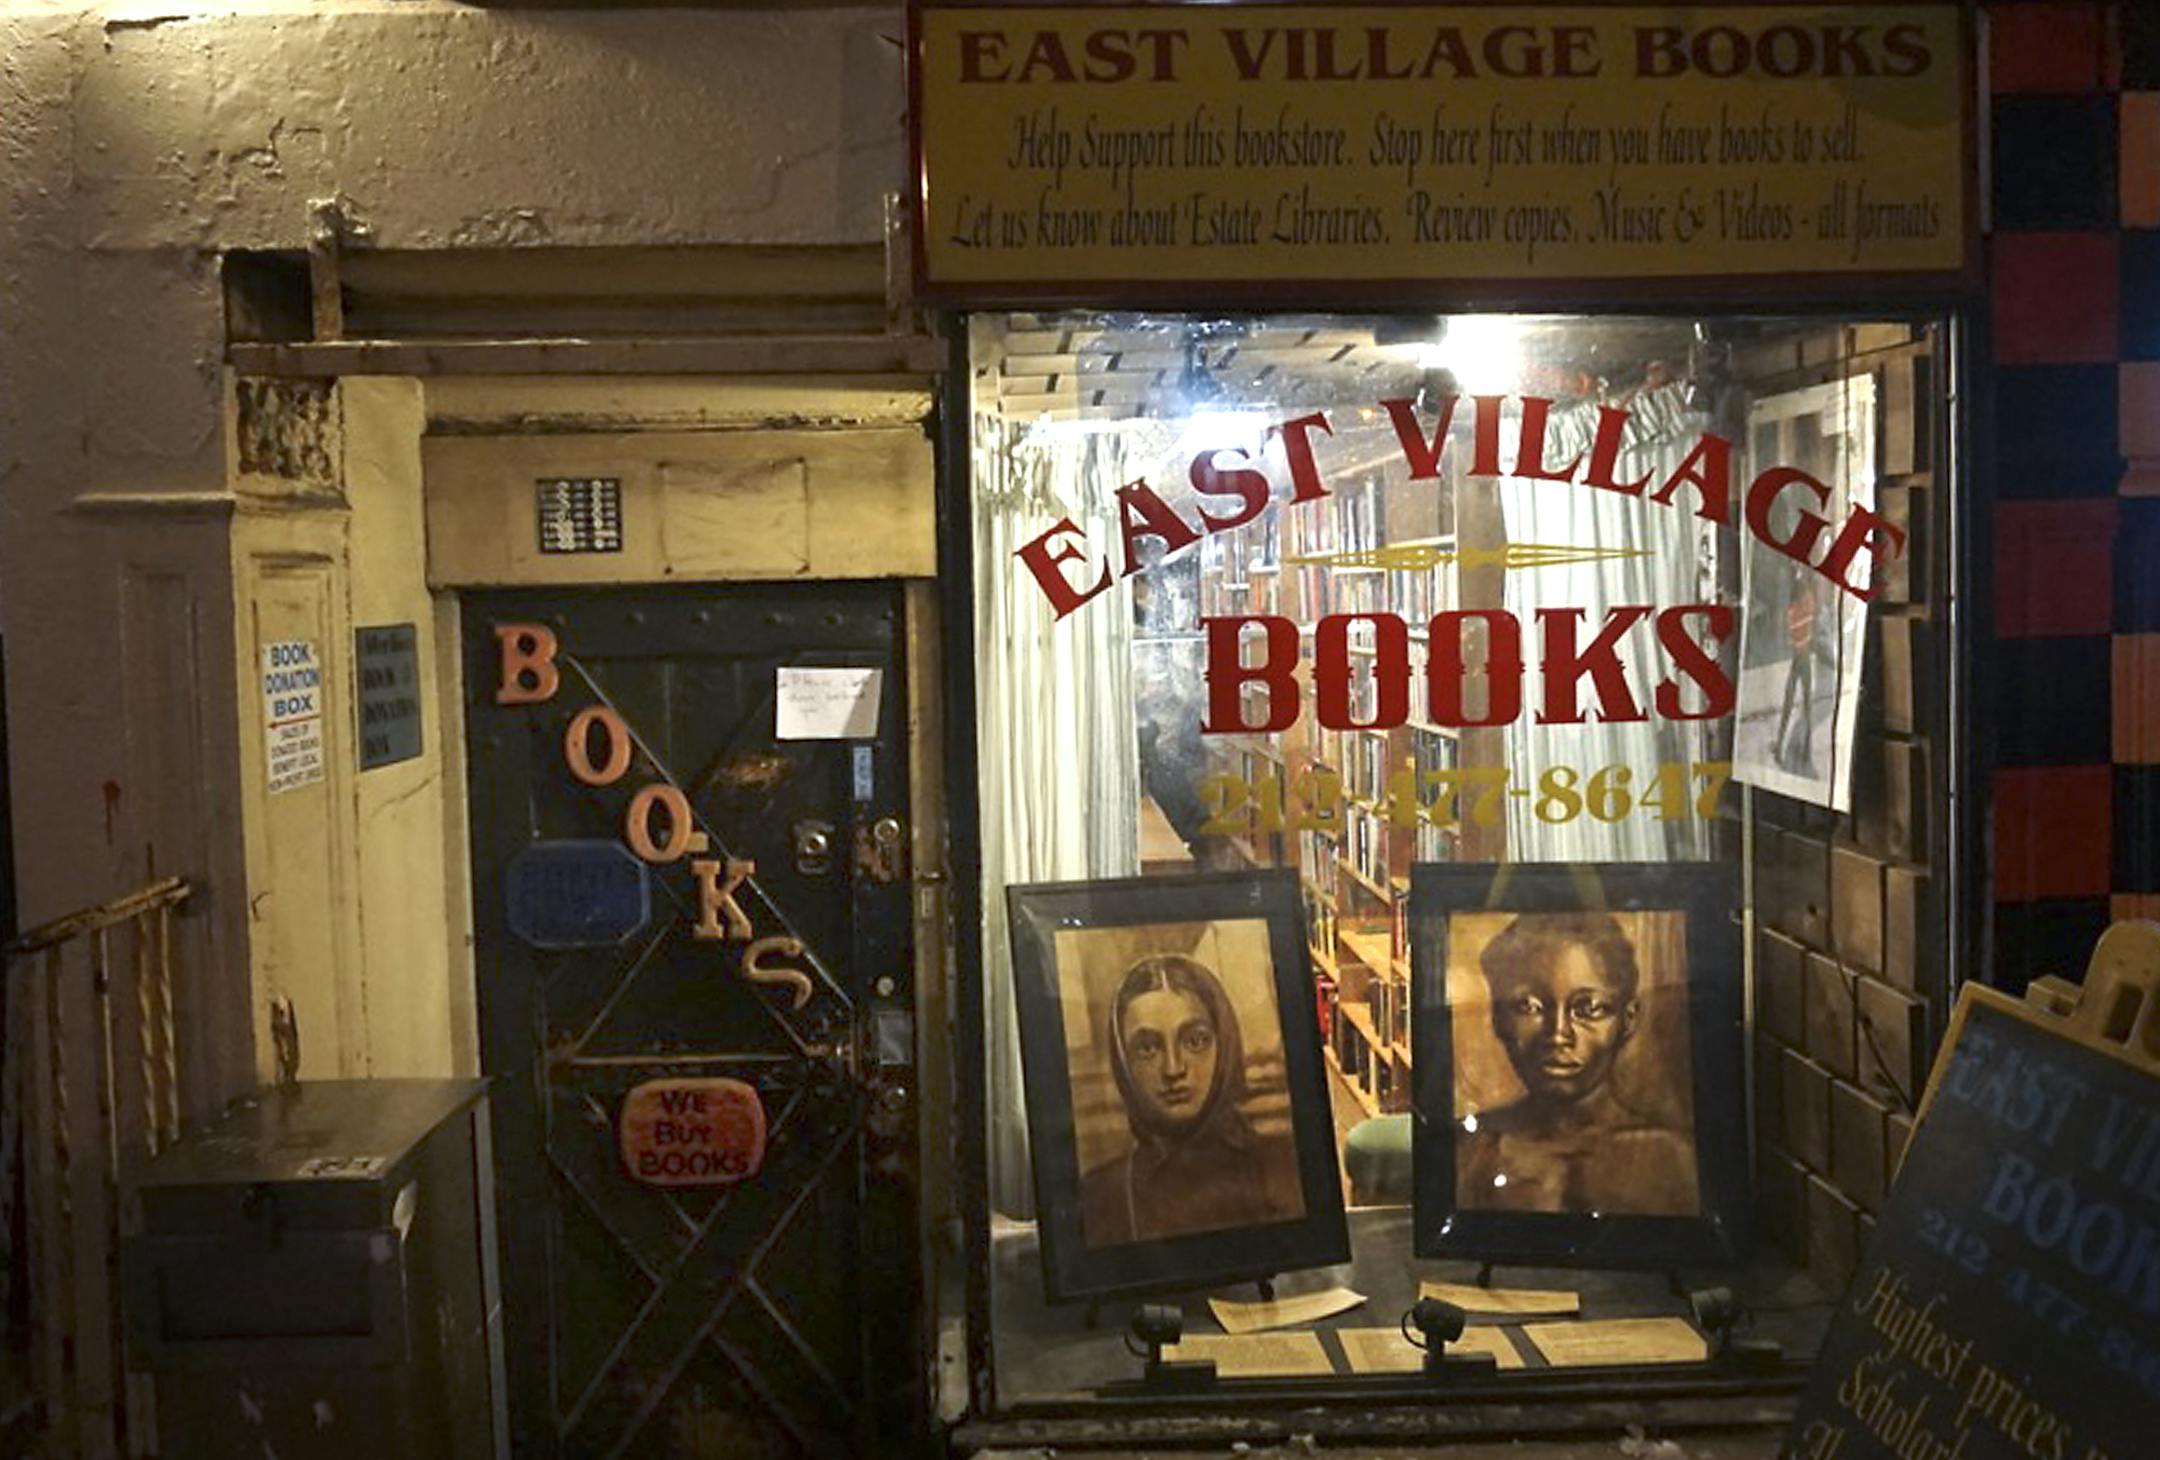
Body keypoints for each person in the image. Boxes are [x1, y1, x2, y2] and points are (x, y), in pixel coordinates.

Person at [1456, 912, 1698, 1217]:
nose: (1558, 1035)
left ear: (1628, 1019)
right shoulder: (1471, 1150)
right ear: (1497, 1018)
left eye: (1589, 1008)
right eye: (1528, 1006)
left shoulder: (1669, 1159)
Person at [1080, 954, 1305, 1246]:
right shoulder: (1100, 1196)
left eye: (1195, 1041)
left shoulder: (1286, 1167)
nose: (1173, 1069)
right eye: (1148, 1048)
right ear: (1123, 1062)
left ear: (1224, 1045)